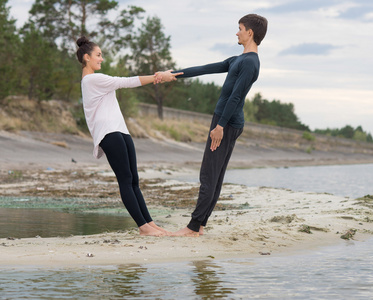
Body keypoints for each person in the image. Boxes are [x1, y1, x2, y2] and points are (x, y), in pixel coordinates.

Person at [172, 14, 268, 236]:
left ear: (250, 33)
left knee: (209, 175)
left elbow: (236, 96)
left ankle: (193, 227)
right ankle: (200, 225)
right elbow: (206, 68)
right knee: (214, 175)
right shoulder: (238, 60)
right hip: (226, 121)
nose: (237, 32)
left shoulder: (251, 62)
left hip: (226, 122)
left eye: (240, 28)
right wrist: (173, 74)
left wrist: (220, 126)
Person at [76, 36, 182, 236]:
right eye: (98, 55)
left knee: (134, 180)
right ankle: (143, 227)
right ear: (86, 58)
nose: (102, 59)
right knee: (125, 180)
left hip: (120, 130)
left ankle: (150, 224)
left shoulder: (96, 80)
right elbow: (126, 82)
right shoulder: (91, 80)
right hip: (109, 133)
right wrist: (158, 76)